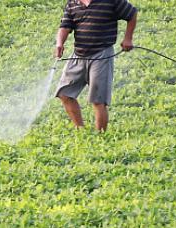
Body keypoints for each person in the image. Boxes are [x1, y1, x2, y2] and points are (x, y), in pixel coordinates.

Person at [54, 0, 138, 132]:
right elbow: (65, 26)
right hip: (78, 54)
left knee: (98, 100)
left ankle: (100, 137)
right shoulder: (73, 3)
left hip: (102, 54)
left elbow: (132, 14)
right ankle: (80, 131)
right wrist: (59, 43)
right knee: (64, 93)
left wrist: (128, 38)